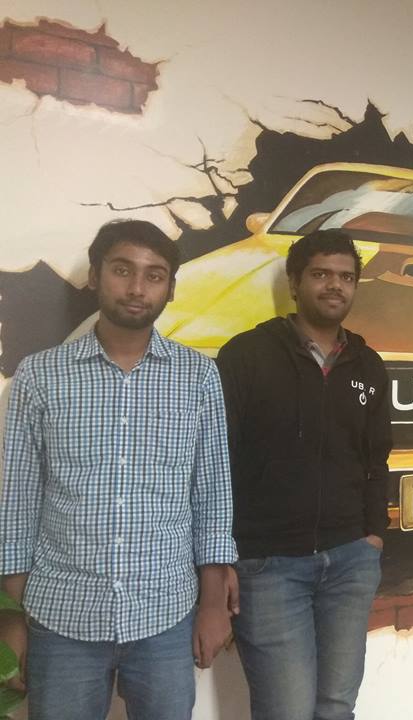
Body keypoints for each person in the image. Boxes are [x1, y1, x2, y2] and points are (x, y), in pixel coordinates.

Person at [0, 219, 237, 720]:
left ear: (171, 288)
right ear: (94, 275)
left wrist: (214, 605)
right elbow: (16, 503)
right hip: (61, 616)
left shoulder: (198, 377)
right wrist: (12, 621)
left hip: (165, 615)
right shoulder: (40, 376)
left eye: (154, 275)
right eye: (122, 270)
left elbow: (213, 496)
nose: (136, 288)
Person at [216, 228, 391, 720]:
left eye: (346, 277)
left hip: (351, 561)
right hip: (269, 566)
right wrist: (223, 555)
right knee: (286, 712)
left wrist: (373, 535)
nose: (335, 285)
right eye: (321, 274)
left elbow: (377, 457)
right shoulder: (246, 355)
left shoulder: (368, 365)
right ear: (294, 283)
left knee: (336, 707)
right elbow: (215, 461)